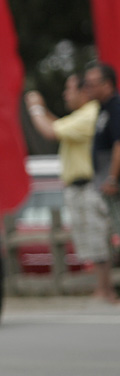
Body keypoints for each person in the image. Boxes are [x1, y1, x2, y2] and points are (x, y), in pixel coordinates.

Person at [26, 74, 115, 302]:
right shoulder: (82, 116)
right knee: (91, 239)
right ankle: (102, 289)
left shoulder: (90, 114)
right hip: (79, 187)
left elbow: (50, 131)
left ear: (84, 92)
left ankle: (106, 290)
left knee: (98, 238)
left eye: (70, 89)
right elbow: (59, 126)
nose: (66, 94)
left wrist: (36, 108)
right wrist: (43, 110)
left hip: (89, 185)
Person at [83, 61, 120, 300]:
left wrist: (112, 178)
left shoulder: (116, 107)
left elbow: (119, 143)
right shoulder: (102, 109)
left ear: (107, 84)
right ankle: (105, 289)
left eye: (91, 83)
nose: (87, 88)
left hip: (114, 183)